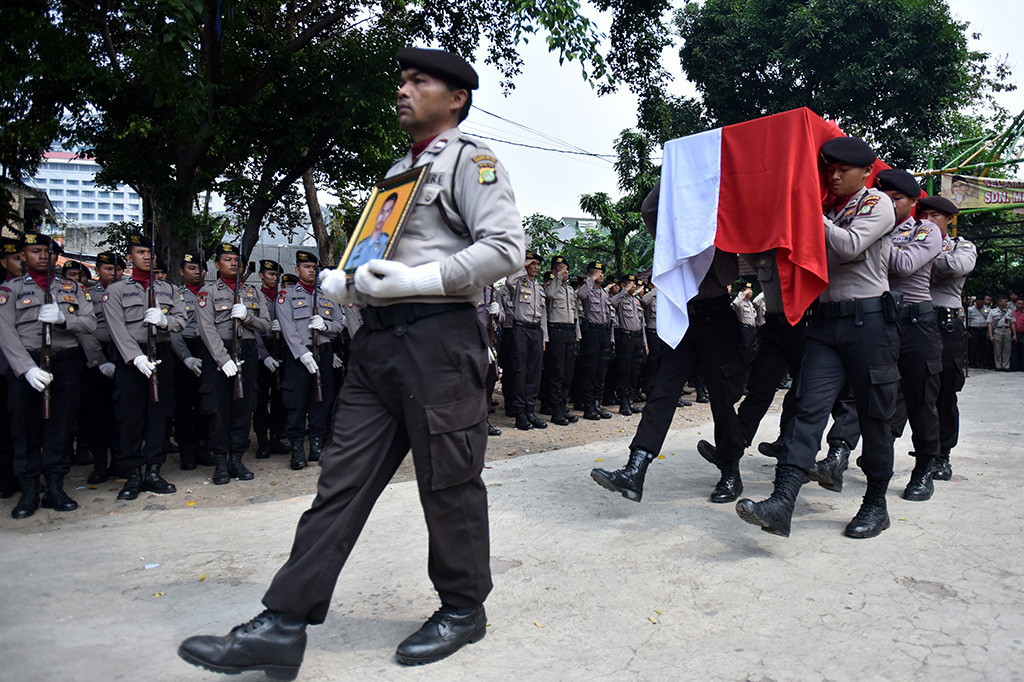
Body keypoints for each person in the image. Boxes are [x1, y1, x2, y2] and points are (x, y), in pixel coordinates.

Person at [179, 47, 524, 676]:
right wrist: (351, 282)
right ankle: (283, 624)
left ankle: (463, 608)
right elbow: (379, 254)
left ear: (455, 99)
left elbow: (506, 250)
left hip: (439, 341)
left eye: (419, 81)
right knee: (338, 481)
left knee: (447, 480)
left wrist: (415, 284)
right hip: (377, 344)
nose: (403, 90)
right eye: (401, 81)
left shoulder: (472, 162)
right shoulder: (399, 173)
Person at [735, 137, 899, 539]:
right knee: (808, 407)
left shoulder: (878, 205)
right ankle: (782, 501)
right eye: (830, 170)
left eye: (844, 170)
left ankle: (875, 504)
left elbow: (849, 246)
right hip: (825, 324)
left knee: (874, 415)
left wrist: (809, 214)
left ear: (866, 173)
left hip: (869, 324)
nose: (836, 176)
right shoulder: (827, 210)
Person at [591, 180, 746, 505]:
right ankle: (636, 469)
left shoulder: (722, 229)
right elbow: (649, 208)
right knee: (662, 391)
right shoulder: (674, 230)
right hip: (684, 316)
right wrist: (677, 171)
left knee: (721, 399)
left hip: (716, 319)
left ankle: (730, 470)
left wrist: (711, 237)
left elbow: (729, 275)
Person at [0, 233, 95, 518]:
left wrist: (65, 319)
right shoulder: (11, 289)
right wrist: (26, 368)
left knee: (61, 426)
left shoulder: (72, 288)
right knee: (25, 427)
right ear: (23, 256)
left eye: (47, 251)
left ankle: (55, 486)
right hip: (27, 364)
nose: (43, 256)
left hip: (64, 362)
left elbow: (89, 322)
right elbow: (5, 333)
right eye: (34, 251)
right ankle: (29, 489)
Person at [873, 169, 943, 502]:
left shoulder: (924, 229)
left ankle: (925, 466)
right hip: (884, 323)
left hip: (917, 325)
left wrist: (875, 234)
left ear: (913, 202)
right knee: (880, 399)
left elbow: (902, 265)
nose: (888, 202)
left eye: (896, 198)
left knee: (921, 400)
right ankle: (877, 463)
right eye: (883, 197)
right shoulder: (876, 227)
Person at [104, 233, 187, 500]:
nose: (147, 257)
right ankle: (132, 474)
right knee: (131, 416)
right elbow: (116, 329)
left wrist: (165, 322)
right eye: (140, 252)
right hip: (132, 359)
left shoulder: (169, 289)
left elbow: (181, 319)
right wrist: (135, 357)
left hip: (161, 353)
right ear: (129, 257)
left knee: (158, 414)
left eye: (150, 253)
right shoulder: (115, 291)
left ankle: (153, 470)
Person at [196, 243, 271, 485]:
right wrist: (223, 358)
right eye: (227, 259)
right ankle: (220, 460)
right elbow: (206, 329)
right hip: (220, 353)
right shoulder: (207, 292)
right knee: (219, 409)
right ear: (216, 265)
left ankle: (237, 458)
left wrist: (247, 317)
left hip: (247, 351)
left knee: (243, 406)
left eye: (236, 259)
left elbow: (266, 325)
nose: (233, 263)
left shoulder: (252, 292)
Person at [921, 195, 975, 480]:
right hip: (915, 321)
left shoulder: (961, 246)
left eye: (935, 216)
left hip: (946, 325)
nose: (928, 221)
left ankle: (942, 454)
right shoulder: (910, 239)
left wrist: (925, 255)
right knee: (905, 390)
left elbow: (956, 267)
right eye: (924, 215)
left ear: (949, 220)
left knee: (944, 393)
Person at [278, 250, 344, 469]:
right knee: (296, 402)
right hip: (299, 356)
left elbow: (338, 324)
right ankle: (297, 448)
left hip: (323, 353)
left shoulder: (326, 293)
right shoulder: (286, 295)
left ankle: (316, 445)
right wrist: (302, 353)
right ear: (297, 270)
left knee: (322, 400)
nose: (312, 270)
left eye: (314, 267)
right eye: (307, 267)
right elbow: (288, 329)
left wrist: (325, 327)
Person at [78, 251, 122, 482]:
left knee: (121, 412)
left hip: (123, 354)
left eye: (117, 269)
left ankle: (118, 460)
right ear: (97, 270)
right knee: (97, 413)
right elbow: (86, 332)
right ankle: (99, 464)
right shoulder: (87, 295)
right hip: (97, 355)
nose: (113, 274)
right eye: (107, 269)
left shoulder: (126, 292)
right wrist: (99, 362)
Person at [170, 251, 212, 469]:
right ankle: (186, 450)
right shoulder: (175, 294)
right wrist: (186, 358)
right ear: (181, 272)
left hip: (207, 349)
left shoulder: (210, 293)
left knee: (205, 402)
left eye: (200, 269)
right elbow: (173, 332)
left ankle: (202, 447)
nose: (197, 272)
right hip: (184, 349)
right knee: (185, 404)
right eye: (191, 268)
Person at [506, 250, 547, 430]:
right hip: (520, 329)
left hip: (536, 331)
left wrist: (544, 336)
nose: (536, 267)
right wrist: (521, 265)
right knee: (519, 371)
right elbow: (508, 282)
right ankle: (520, 414)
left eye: (537, 264)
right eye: (532, 264)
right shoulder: (518, 281)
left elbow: (543, 314)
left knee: (534, 373)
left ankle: (531, 411)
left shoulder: (538, 286)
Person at [252, 259, 289, 460]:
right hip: (261, 352)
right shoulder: (255, 296)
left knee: (279, 397)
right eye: (270, 274)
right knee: (260, 400)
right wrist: (264, 356)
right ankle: (262, 442)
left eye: (276, 275)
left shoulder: (284, 296)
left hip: (281, 348)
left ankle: (276, 437)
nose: (274, 278)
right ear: (261, 276)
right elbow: (252, 331)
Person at [544, 254, 580, 426]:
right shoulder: (550, 287)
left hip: (570, 331)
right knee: (556, 372)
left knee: (568, 373)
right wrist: (557, 277)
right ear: (554, 271)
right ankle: (556, 411)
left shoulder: (570, 290)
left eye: (566, 270)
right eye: (561, 270)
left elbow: (575, 315)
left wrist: (577, 335)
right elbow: (549, 295)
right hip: (556, 331)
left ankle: (563, 407)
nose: (566, 273)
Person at [577, 261, 614, 420]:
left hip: (603, 332)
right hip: (591, 332)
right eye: (598, 273)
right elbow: (580, 295)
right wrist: (590, 280)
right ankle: (588, 407)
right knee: (590, 370)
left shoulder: (604, 293)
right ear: (591, 274)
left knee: (601, 369)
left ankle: (597, 404)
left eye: (602, 273)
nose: (602, 275)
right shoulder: (587, 289)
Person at [611, 274, 646, 415]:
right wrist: (624, 290)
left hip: (637, 338)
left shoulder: (636, 301)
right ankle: (623, 402)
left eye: (634, 284)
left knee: (634, 370)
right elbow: (612, 303)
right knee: (624, 370)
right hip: (625, 338)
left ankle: (630, 399)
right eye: (630, 284)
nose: (633, 286)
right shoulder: (620, 298)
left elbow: (642, 324)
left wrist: (644, 342)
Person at [347, 193, 396, 269]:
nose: (383, 216)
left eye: (387, 212)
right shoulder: (360, 245)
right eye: (382, 211)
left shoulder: (387, 242)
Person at [988, 297, 1015, 370]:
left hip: (1007, 329)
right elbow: (990, 323)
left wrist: (1014, 334)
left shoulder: (1009, 312)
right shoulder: (993, 311)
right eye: (1005, 301)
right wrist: (991, 335)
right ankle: (998, 365)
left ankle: (1006, 366)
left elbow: (1012, 323)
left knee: (1007, 349)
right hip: (998, 330)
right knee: (997, 348)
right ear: (1000, 302)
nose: (1006, 303)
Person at [966, 297, 990, 369]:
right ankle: (973, 363)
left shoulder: (987, 309)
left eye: (981, 302)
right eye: (978, 302)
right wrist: (966, 329)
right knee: (973, 347)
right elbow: (967, 320)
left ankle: (983, 363)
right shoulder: (970, 309)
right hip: (974, 329)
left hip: (984, 329)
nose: (980, 304)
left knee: (984, 347)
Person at [1013, 299, 1024, 371]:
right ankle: (1015, 366)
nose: (1020, 305)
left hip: (1022, 334)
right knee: (1014, 350)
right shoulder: (1012, 313)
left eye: (1022, 304)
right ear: (1016, 304)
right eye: (1018, 303)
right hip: (1014, 334)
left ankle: (1022, 366)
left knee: (1022, 350)